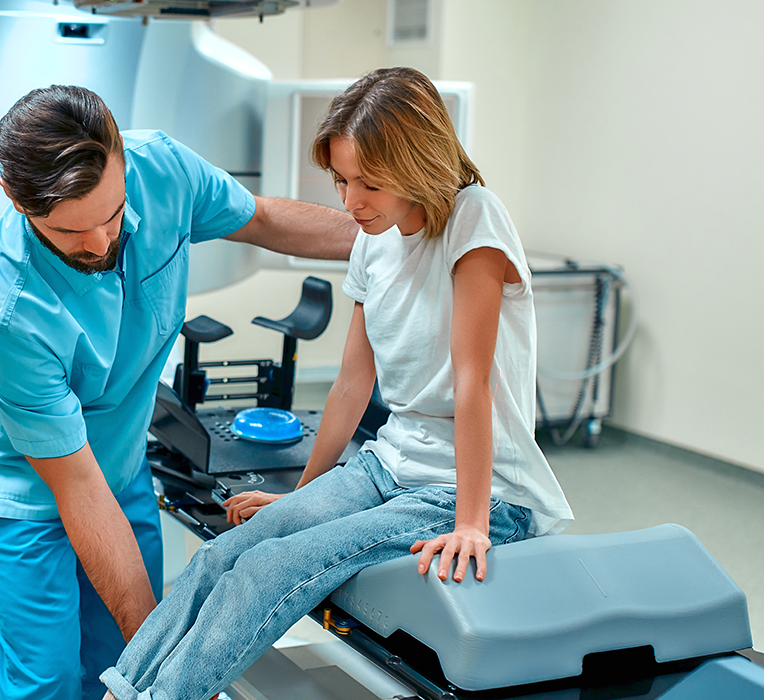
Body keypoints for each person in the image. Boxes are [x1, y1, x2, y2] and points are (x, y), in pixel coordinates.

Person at [99, 67, 574, 700]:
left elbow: (472, 383)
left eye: (369, 183)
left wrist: (473, 524)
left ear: (419, 163)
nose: (350, 203)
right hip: (385, 469)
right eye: (342, 181)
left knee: (269, 568)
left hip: (476, 492)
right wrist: (299, 500)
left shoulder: (473, 220)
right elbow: (352, 386)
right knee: (224, 553)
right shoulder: (373, 244)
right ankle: (122, 690)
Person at [0, 84, 359, 700]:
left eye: (112, 215)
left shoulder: (162, 169)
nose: (101, 242)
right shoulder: (6, 309)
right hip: (27, 489)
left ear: (122, 159)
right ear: (14, 198)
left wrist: (402, 238)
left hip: (119, 461)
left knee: (117, 661)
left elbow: (264, 219)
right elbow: (77, 488)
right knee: (49, 682)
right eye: (70, 231)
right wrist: (173, 672)